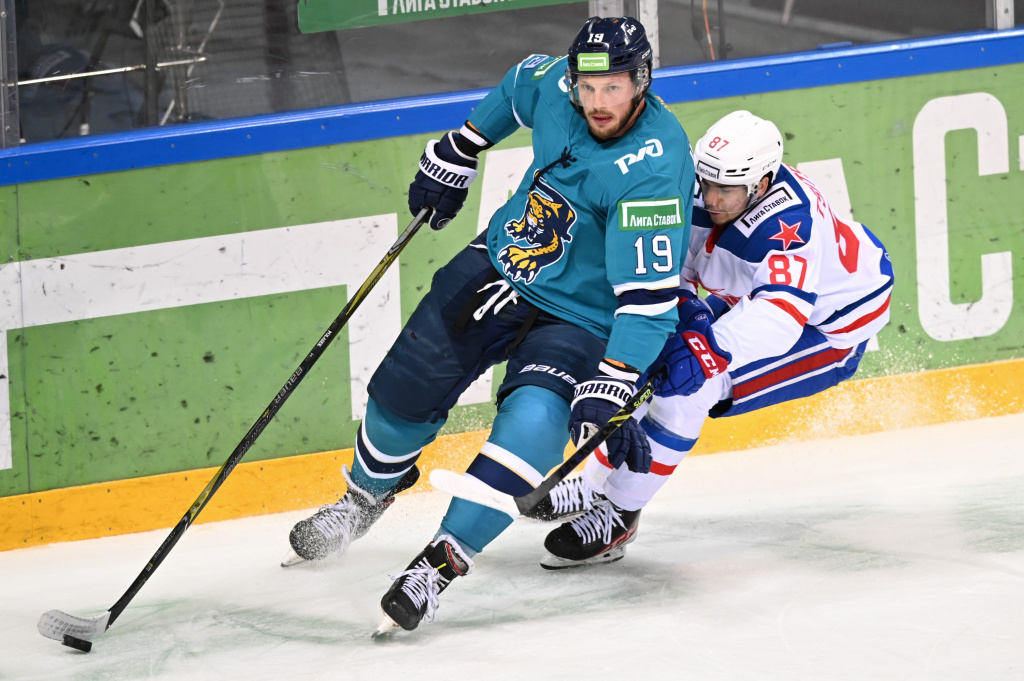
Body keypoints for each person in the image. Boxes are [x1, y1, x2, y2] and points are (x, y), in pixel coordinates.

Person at [282, 17, 696, 632]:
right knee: (403, 390)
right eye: (588, 87)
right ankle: (362, 500)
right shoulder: (557, 86)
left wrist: (617, 376)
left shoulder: (654, 168)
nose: (597, 102)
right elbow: (520, 82)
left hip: (582, 317)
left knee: (533, 425)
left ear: (641, 81)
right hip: (501, 262)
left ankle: (439, 564)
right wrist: (464, 144)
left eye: (613, 87)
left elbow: (649, 300)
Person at [532, 110, 895, 569]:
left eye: (727, 189)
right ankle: (592, 486)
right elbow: (674, 260)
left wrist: (707, 349)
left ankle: (620, 514)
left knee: (689, 390)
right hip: (756, 294)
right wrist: (684, 308)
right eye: (707, 184)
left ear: (762, 184)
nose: (712, 198)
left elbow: (781, 317)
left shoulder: (789, 227)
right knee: (646, 360)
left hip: (829, 325)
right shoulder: (706, 185)